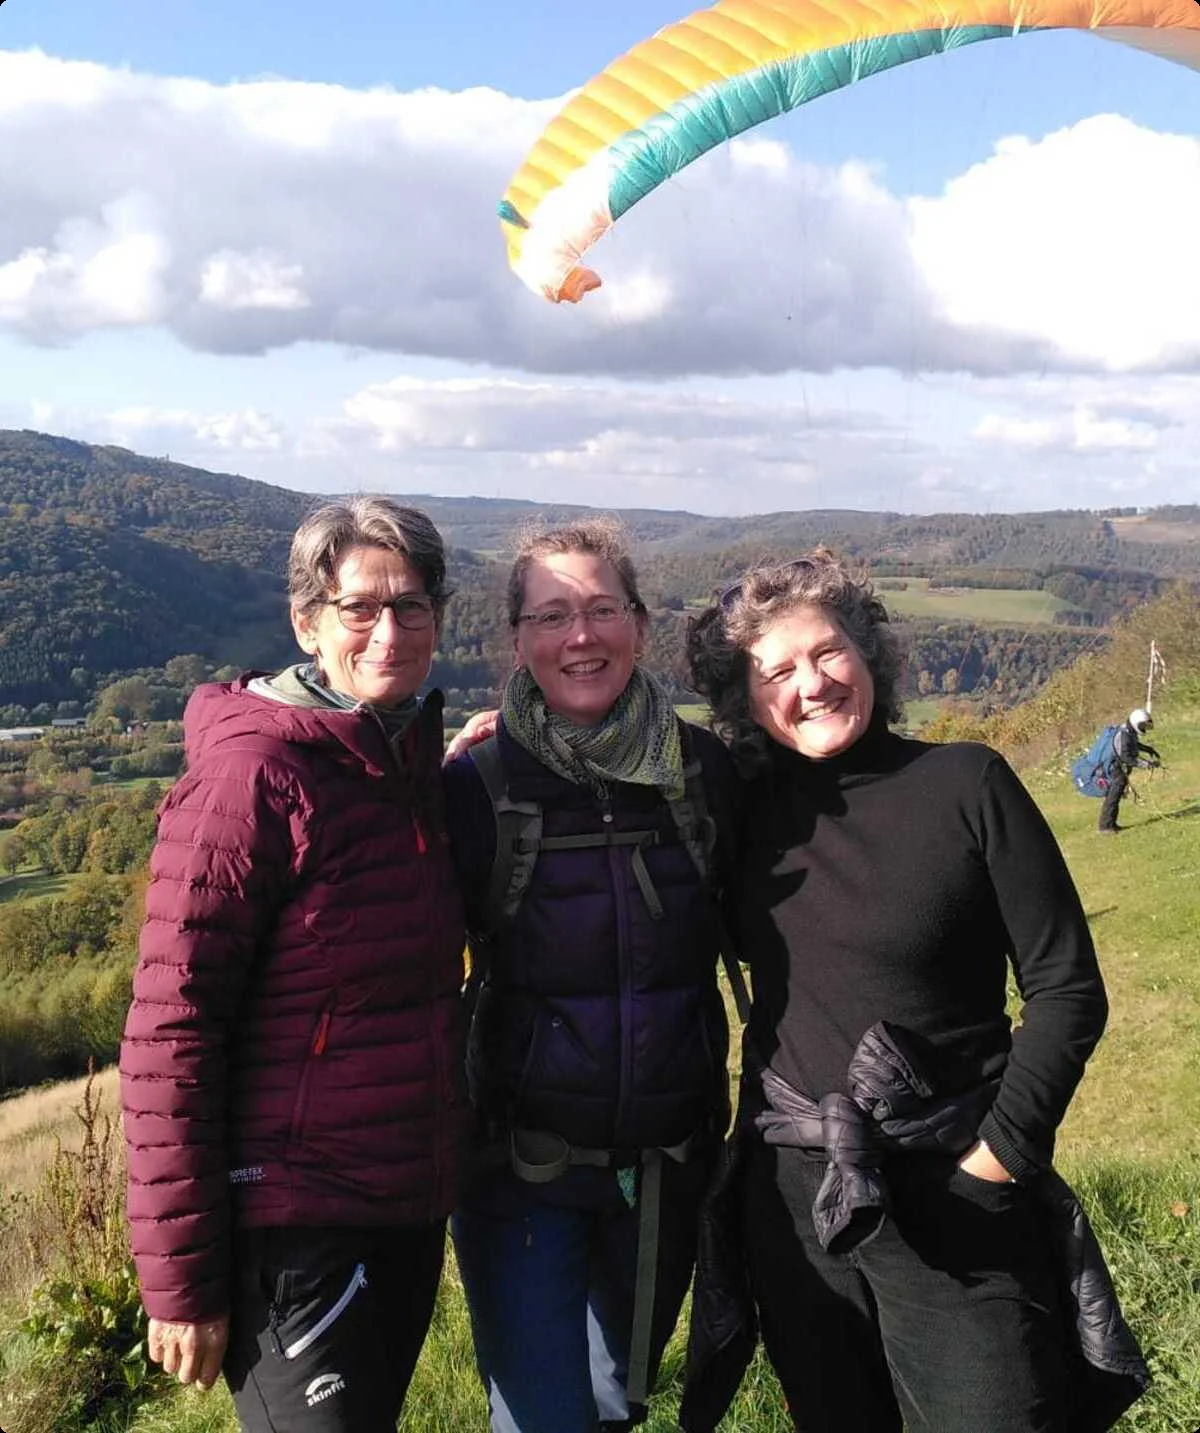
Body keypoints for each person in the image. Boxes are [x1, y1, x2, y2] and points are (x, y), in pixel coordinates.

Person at [681, 549, 1146, 1433]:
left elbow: (1067, 989)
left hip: (957, 1189)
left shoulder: (967, 784)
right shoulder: (738, 812)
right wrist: (490, 743)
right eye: (776, 669)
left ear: (869, 655)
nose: (811, 684)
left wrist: (996, 1162)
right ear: (745, 699)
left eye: (828, 653)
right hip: (794, 1201)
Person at [121, 497, 469, 1432]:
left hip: (400, 1200)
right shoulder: (252, 776)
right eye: (360, 607)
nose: (389, 631)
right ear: (307, 621)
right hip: (295, 1222)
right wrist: (182, 1281)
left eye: (412, 605)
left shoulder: (401, 767)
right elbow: (170, 1027)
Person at [441, 520, 733, 1433]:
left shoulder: (705, 774)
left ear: (640, 626)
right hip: (522, 1165)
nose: (581, 635)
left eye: (604, 608)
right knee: (541, 1419)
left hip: (666, 1164)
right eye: (553, 614)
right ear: (518, 639)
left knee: (617, 1404)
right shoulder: (476, 789)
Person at [1098, 707, 1161, 833]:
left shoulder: (1129, 732)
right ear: (1135, 722)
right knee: (1113, 797)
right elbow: (1126, 757)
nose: (1143, 728)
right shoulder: (1124, 734)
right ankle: (1105, 826)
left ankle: (1112, 824)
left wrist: (1149, 749)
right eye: (1142, 725)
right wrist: (1147, 764)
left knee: (1116, 796)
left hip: (1119, 769)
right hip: (1115, 769)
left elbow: (1134, 745)